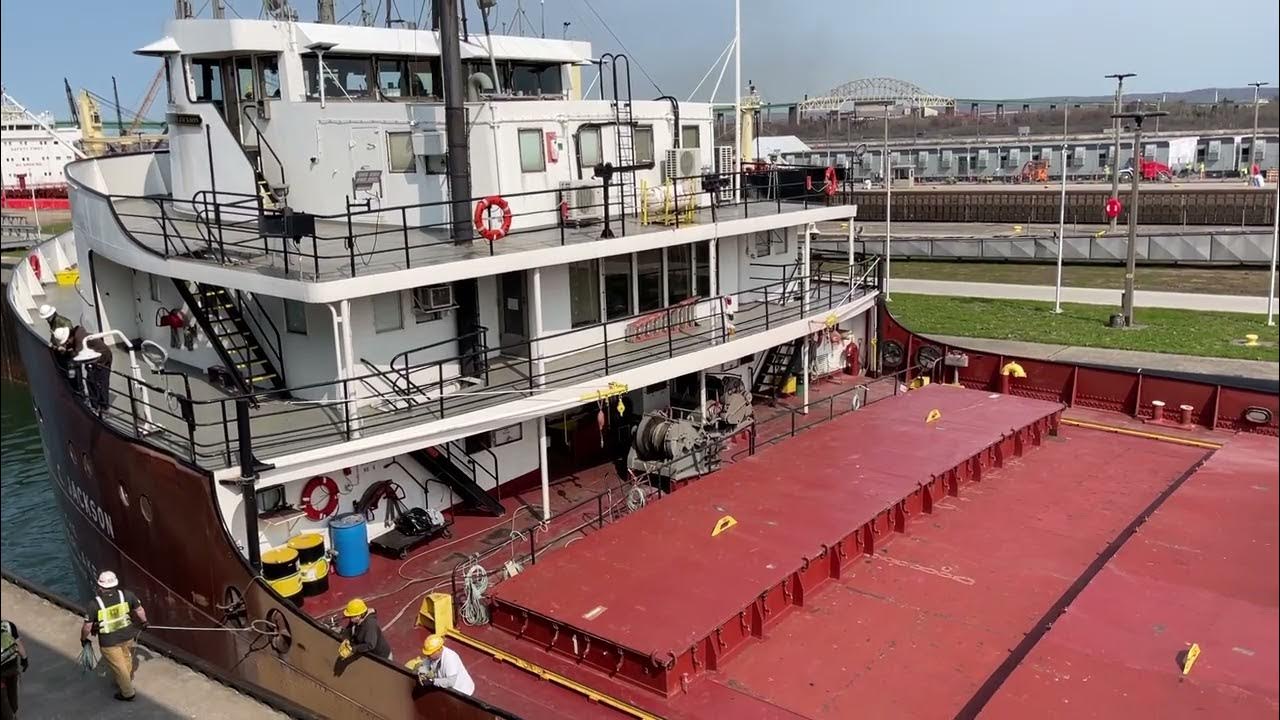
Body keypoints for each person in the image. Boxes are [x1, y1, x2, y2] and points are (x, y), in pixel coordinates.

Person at [81, 571, 147, 702]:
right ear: (115, 584)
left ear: (100, 587)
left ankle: (127, 692)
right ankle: (124, 681)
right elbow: (139, 610)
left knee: (119, 666)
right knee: (127, 659)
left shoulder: (94, 604)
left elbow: (87, 626)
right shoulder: (127, 595)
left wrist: (83, 639)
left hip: (109, 641)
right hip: (128, 636)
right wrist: (144, 622)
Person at [1, 619, 29, 720]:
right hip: (12, 671)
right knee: (12, 700)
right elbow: (18, 644)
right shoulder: (8, 625)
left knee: (4, 706)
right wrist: (24, 659)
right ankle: (13, 714)